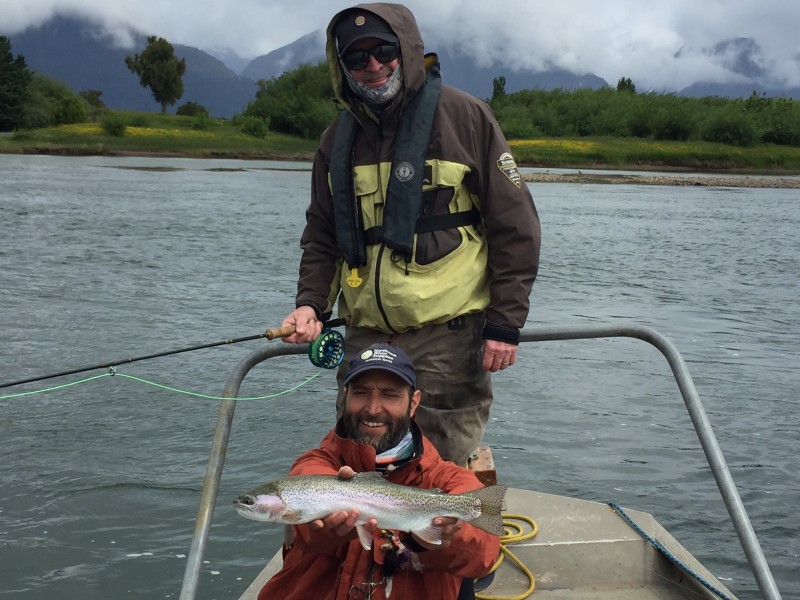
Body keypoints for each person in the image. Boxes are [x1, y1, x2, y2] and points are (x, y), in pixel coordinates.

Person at [279, 3, 541, 466]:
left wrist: (506, 324)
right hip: (365, 334)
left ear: (408, 49)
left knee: (440, 463)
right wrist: (309, 304)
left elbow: (516, 226)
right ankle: (372, 539)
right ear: (343, 68)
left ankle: (456, 532)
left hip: (448, 334)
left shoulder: (468, 118)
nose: (373, 66)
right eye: (357, 59)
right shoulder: (333, 141)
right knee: (359, 455)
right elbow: (321, 235)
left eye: (383, 51)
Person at [257, 343, 501, 600]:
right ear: (345, 395)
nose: (373, 408)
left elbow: (485, 553)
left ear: (414, 402)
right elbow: (301, 518)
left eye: (390, 394)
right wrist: (325, 529)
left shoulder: (448, 479)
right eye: (361, 393)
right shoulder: (318, 463)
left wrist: (441, 539)